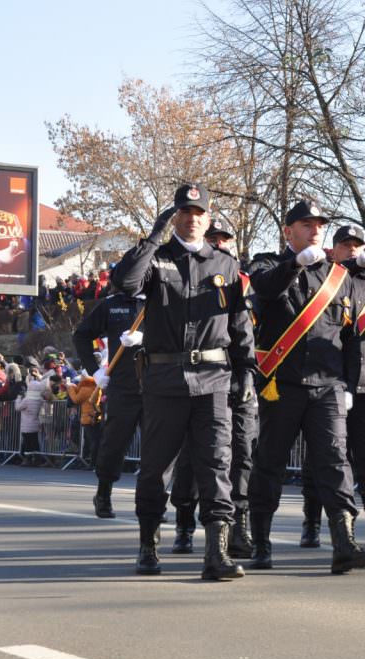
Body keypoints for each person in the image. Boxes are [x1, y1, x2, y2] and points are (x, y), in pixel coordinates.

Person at [112, 182, 256, 581]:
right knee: (157, 468)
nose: (192, 219)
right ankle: (148, 544)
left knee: (216, 464)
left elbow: (240, 324)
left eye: (199, 213)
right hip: (164, 377)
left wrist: (246, 369)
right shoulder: (157, 258)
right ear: (175, 216)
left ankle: (217, 553)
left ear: (208, 219)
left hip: (213, 379)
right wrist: (151, 239)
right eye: (185, 212)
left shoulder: (225, 265)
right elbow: (124, 284)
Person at [246, 199, 365, 575]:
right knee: (269, 463)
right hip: (282, 385)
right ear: (288, 231)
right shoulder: (267, 263)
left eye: (319, 224)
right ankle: (261, 542)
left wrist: (351, 385)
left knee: (335, 463)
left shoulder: (339, 277)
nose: (315, 229)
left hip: (328, 386)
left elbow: (353, 336)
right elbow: (265, 288)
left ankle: (344, 543)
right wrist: (293, 265)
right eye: (306, 224)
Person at [298, 225, 365, 552]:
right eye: (346, 245)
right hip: (333, 379)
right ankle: (312, 522)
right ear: (334, 249)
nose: (352, 250)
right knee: (324, 455)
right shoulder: (325, 284)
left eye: (357, 245)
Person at [168, 220, 259, 559]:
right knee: (196, 456)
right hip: (207, 377)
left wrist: (248, 374)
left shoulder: (242, 279)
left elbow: (247, 330)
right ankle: (183, 524)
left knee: (241, 455)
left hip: (239, 379)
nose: (219, 243)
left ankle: (237, 529)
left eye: (224, 239)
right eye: (212, 239)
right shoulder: (194, 282)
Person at [72, 277, 146, 519]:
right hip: (123, 386)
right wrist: (95, 371)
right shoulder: (111, 304)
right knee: (114, 444)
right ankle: (103, 493)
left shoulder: (162, 301)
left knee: (159, 449)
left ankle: (152, 501)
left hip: (158, 385)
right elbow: (81, 335)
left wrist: (146, 338)